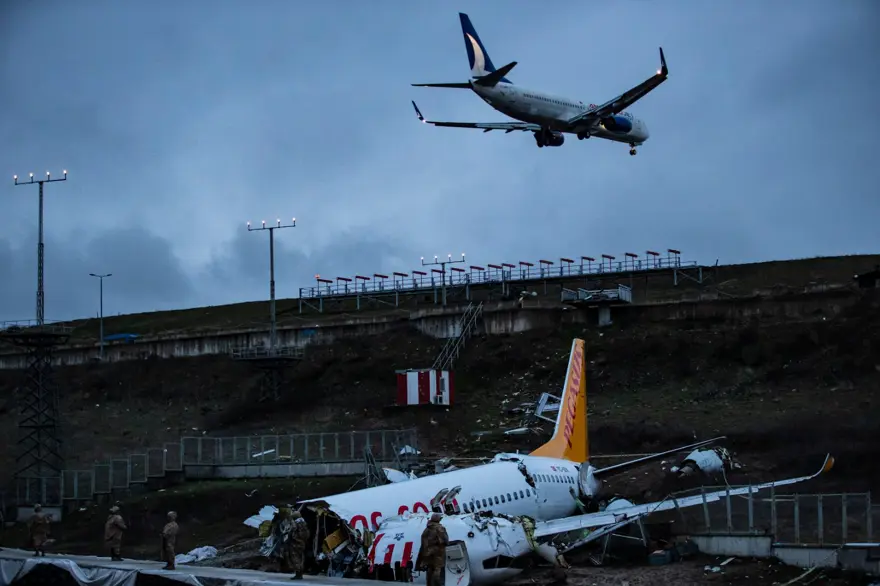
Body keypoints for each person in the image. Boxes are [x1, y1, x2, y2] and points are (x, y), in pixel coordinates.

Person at [416, 513, 449, 586]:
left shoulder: (427, 529)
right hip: (438, 551)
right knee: (438, 568)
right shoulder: (440, 528)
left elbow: (423, 541)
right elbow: (445, 540)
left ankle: (429, 584)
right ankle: (437, 584)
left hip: (427, 552)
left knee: (430, 569)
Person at [287, 510, 310, 580]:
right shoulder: (304, 523)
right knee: (301, 558)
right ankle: (300, 574)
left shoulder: (296, 523)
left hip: (295, 543)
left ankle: (298, 574)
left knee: (295, 558)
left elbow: (292, 531)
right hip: (302, 543)